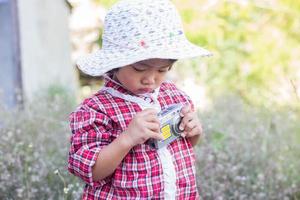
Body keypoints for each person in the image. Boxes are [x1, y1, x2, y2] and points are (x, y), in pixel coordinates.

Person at [68, 0, 212, 199]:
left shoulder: (175, 95)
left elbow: (184, 146)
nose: (150, 79)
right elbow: (91, 171)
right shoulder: (96, 109)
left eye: (162, 70)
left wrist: (192, 131)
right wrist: (127, 138)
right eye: (140, 69)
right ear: (115, 63)